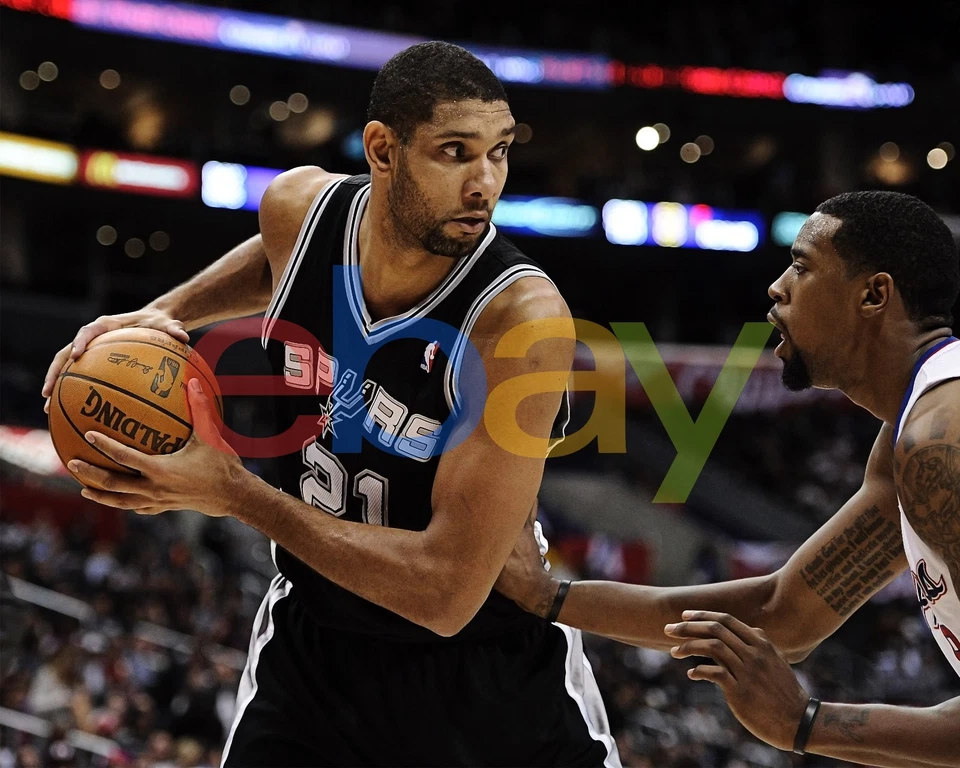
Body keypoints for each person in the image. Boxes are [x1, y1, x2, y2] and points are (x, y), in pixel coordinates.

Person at [41, 42, 619, 767]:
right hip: (314, 654)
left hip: (486, 678)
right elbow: (277, 257)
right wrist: (163, 313)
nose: (485, 183)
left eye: (498, 152)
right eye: (455, 152)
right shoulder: (300, 211)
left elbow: (447, 594)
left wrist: (236, 493)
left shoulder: (519, 322)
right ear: (383, 150)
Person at [495, 191, 960, 767]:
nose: (777, 287)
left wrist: (807, 722)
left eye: (802, 267)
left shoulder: (940, 441)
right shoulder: (908, 437)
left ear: (873, 294)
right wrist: (550, 597)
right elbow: (781, 615)